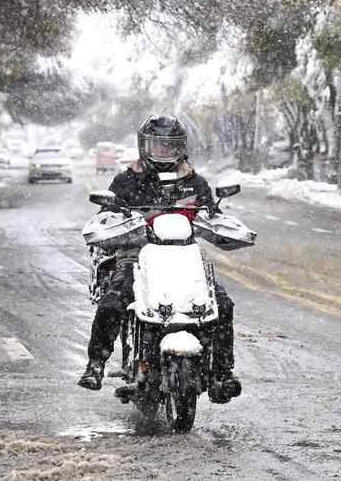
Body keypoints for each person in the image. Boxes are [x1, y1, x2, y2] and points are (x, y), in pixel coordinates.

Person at [77, 115, 242, 404]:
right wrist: (112, 223)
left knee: (222, 304)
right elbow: (106, 215)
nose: (164, 153)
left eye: (170, 146)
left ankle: (221, 374)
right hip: (137, 256)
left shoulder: (195, 183)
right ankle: (95, 365)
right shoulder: (127, 181)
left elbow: (211, 214)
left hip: (184, 257)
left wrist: (219, 223)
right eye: (157, 146)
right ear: (144, 147)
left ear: (181, 148)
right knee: (113, 301)